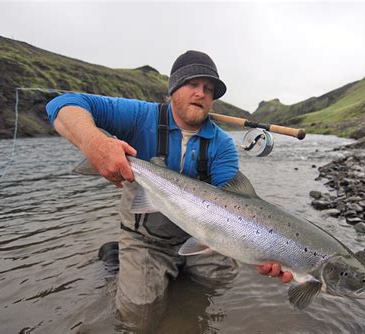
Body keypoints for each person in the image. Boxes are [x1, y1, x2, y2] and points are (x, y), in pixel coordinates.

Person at [45, 50, 292, 324]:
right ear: (174, 88)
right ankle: (116, 261)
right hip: (146, 238)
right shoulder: (141, 116)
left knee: (220, 281)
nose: (201, 94)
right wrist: (94, 143)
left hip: (201, 233)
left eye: (209, 89)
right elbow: (63, 104)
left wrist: (265, 250)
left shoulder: (222, 145)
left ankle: (178, 279)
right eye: (192, 85)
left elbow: (233, 207)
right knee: (137, 315)